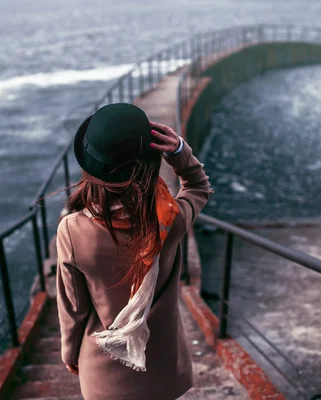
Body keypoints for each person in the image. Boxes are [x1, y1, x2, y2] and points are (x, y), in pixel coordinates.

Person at [55, 103, 212, 400]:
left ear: (89, 168)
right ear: (151, 162)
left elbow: (73, 308)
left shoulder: (73, 231)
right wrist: (179, 152)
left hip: (104, 373)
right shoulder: (170, 218)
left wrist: (69, 352)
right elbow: (198, 187)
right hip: (163, 365)